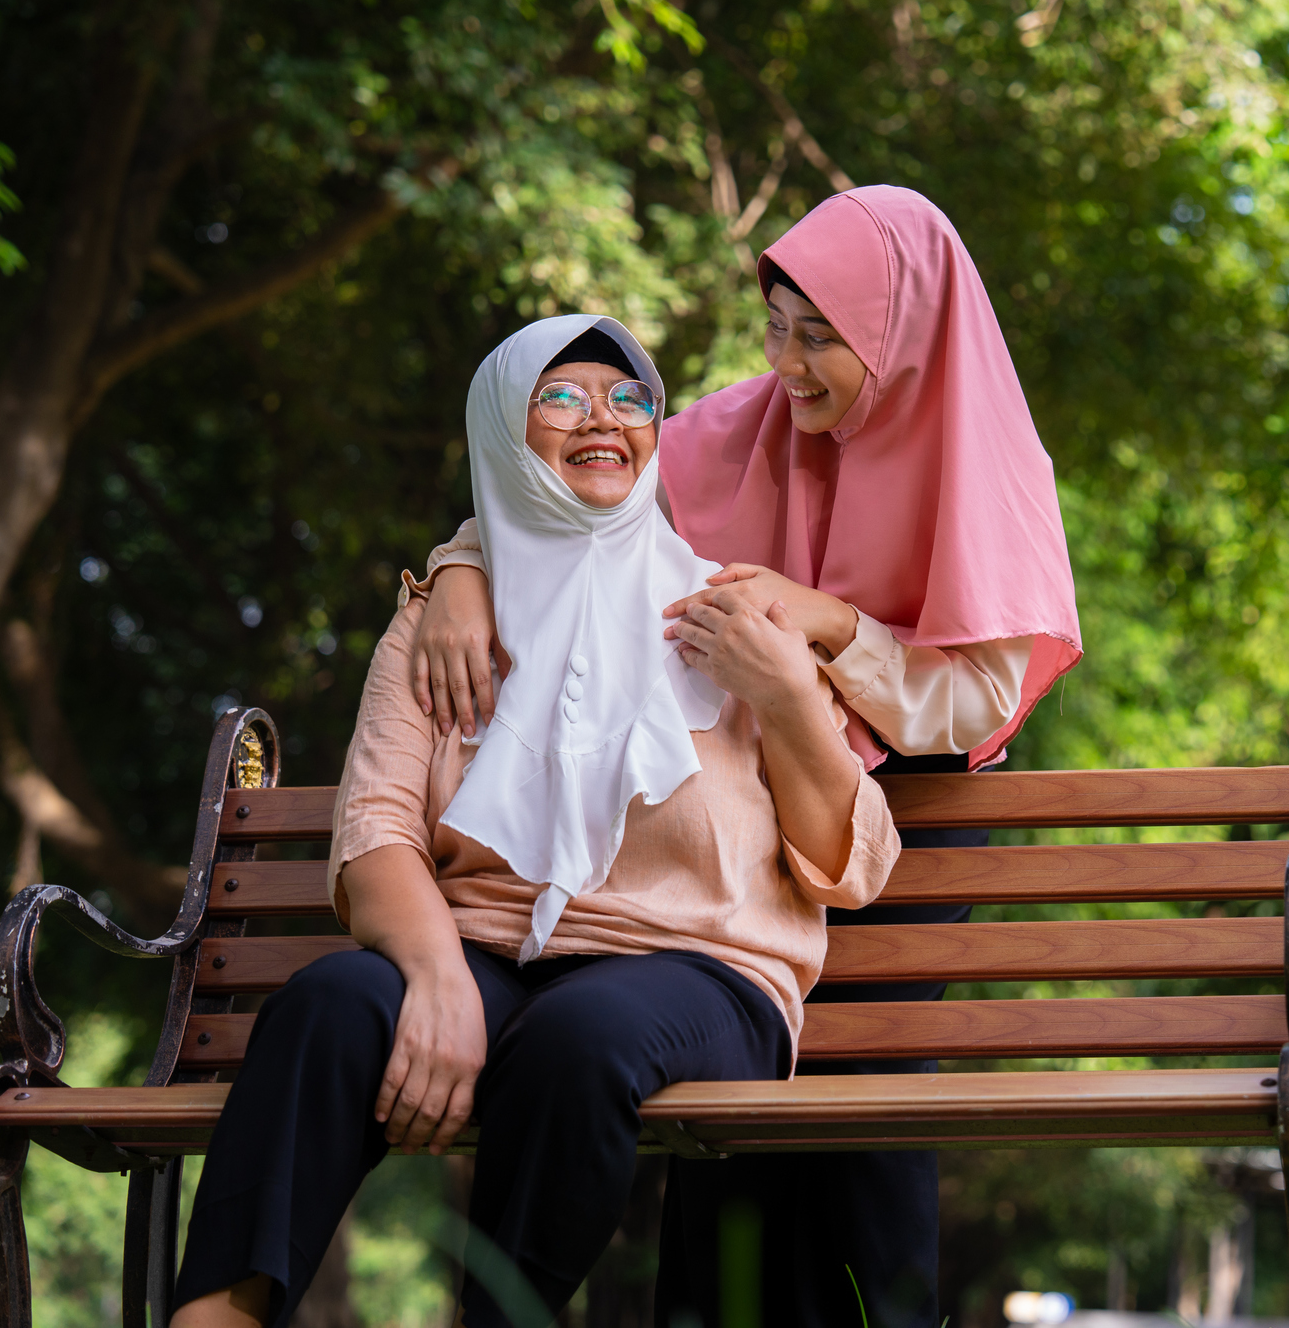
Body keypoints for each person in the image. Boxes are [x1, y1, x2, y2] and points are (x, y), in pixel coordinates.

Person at [403, 187, 1083, 1327]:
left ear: (901, 327)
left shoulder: (992, 468)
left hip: (905, 832)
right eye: (777, 326)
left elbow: (973, 700)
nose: (790, 363)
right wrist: (459, 569)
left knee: (862, 1128)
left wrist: (823, 626)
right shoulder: (728, 431)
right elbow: (564, 495)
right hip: (752, 814)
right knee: (725, 1120)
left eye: (821, 335)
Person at [168, 315, 900, 1328]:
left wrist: (783, 696)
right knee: (329, 1003)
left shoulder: (735, 618)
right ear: (506, 434)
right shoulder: (442, 622)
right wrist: (432, 977)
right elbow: (376, 828)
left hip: (702, 970)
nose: (603, 416)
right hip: (486, 954)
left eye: (630, 396)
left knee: (576, 1038)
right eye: (561, 396)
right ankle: (218, 1317)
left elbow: (845, 867)